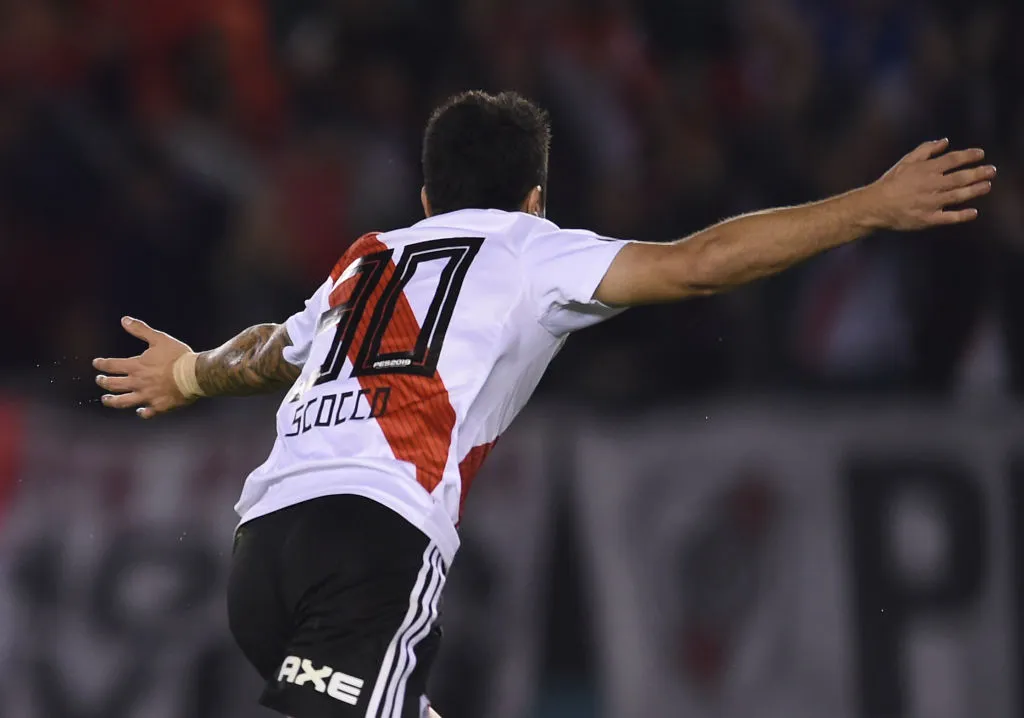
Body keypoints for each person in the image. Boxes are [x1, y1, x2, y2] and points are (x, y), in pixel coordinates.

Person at [92, 91, 995, 718]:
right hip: (370, 541)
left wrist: (190, 373)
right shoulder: (530, 249)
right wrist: (869, 207)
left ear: (426, 198)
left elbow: (271, 352)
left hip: (260, 556)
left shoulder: (366, 260)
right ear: (535, 197)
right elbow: (700, 263)